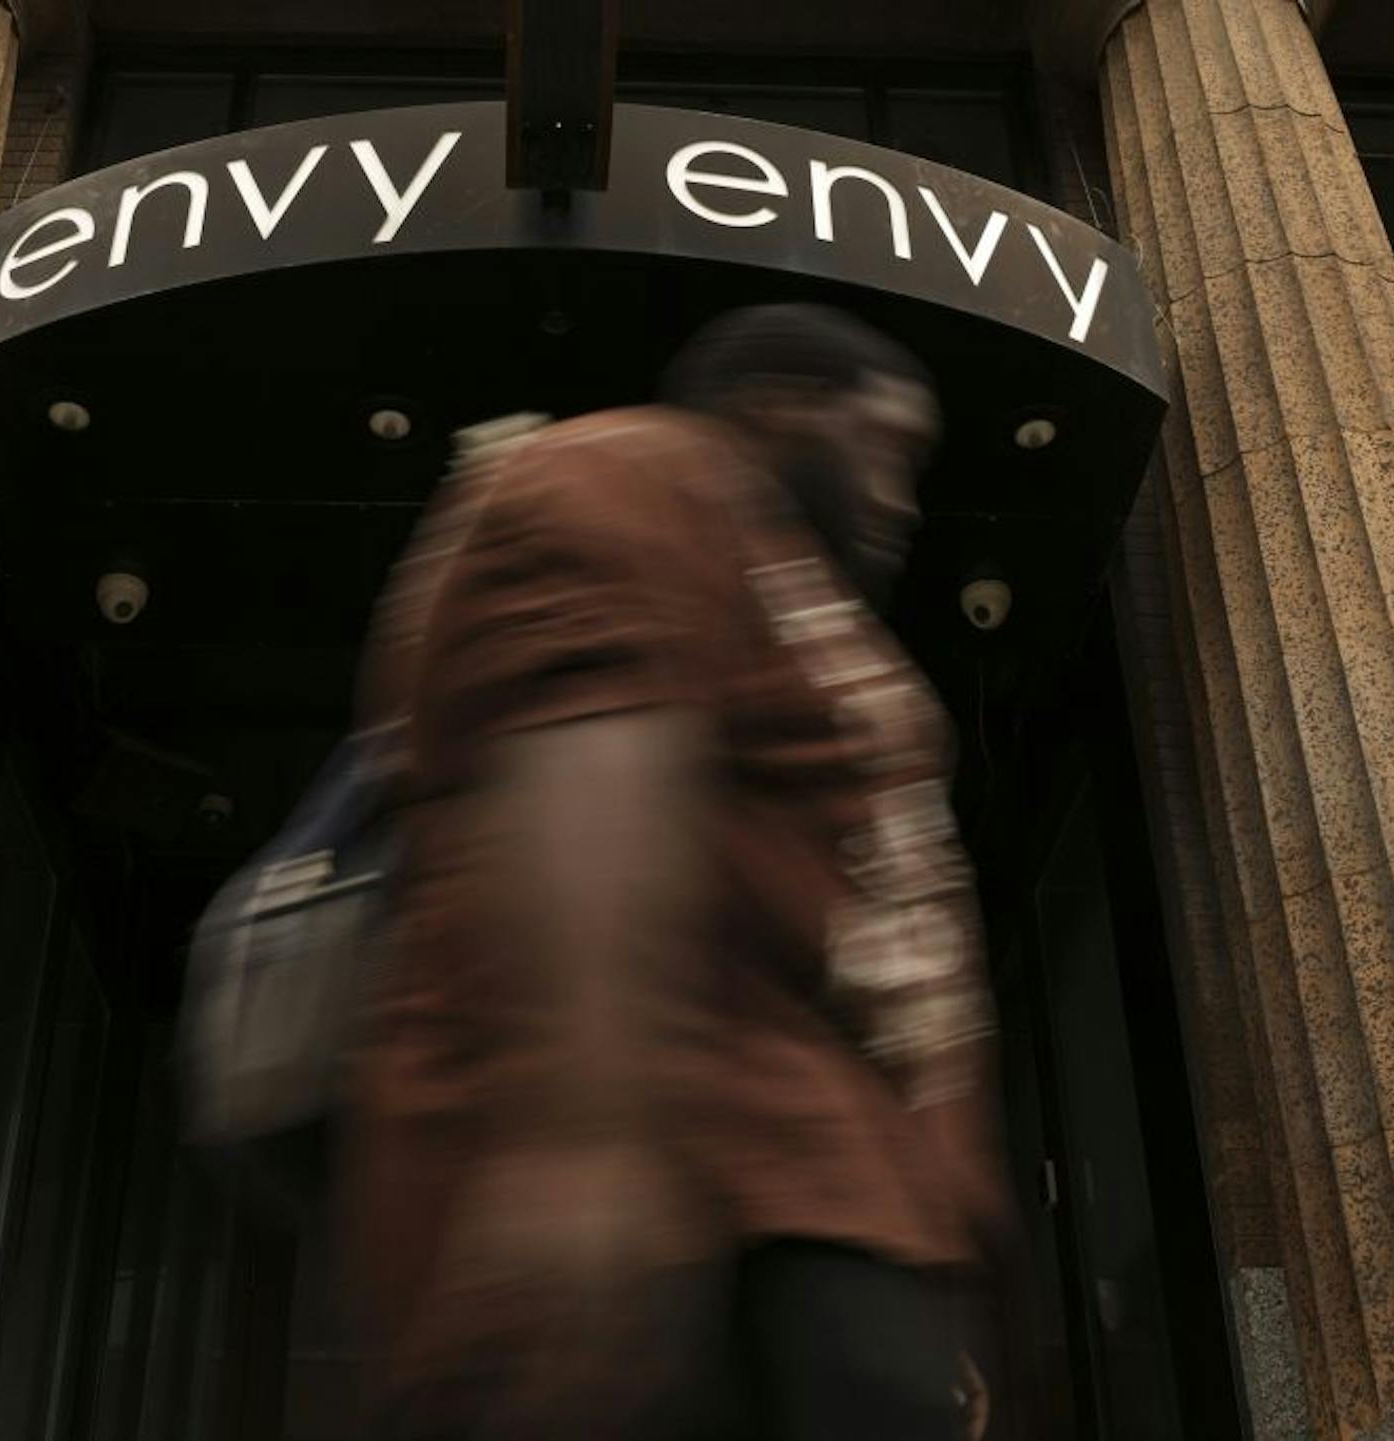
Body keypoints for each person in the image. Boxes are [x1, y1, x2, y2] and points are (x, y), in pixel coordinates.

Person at [345, 303, 1016, 1440]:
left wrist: (923, 1268)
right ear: (784, 406)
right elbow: (584, 748)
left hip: (827, 1228)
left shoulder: (793, 583)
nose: (903, 498)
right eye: (889, 445)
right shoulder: (637, 473)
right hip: (680, 1230)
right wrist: (585, 1144)